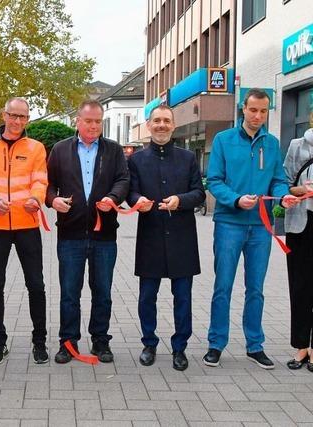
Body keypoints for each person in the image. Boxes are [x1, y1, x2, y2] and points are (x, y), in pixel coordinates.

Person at [204, 88, 299, 369]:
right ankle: (216, 343)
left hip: (260, 227)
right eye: (253, 110)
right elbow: (214, 180)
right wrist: (235, 200)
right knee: (223, 286)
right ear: (242, 108)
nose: (258, 116)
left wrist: (283, 196)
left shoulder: (271, 143)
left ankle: (255, 345)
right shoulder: (223, 140)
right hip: (229, 224)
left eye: (263, 111)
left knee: (255, 289)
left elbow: (278, 180)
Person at [46, 99, 129, 364]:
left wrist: (113, 197)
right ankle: (68, 342)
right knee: (70, 292)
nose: (93, 126)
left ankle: (100, 341)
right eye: (88, 121)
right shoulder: (60, 150)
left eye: (97, 121)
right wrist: (52, 200)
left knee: (102, 291)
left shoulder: (114, 150)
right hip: (70, 234)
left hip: (104, 235)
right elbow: (47, 185)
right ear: (77, 122)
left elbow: (123, 180)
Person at [0, 97, 49, 365]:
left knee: (36, 284)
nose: (17, 121)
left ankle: (40, 342)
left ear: (27, 120)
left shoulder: (36, 148)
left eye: (23, 117)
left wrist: (36, 199)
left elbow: (40, 181)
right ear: (4, 115)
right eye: (13, 116)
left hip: (27, 224)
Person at [127, 105, 205, 371]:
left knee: (182, 297)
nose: (161, 125)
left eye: (166, 121)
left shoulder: (187, 158)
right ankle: (149, 342)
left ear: (173, 125)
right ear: (149, 125)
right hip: (150, 235)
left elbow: (199, 193)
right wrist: (139, 202)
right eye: (157, 120)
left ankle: (179, 347)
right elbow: (130, 192)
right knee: (147, 296)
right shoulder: (136, 160)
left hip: (182, 238)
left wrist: (179, 201)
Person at [283, 127, 313, 370]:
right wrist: (300, 190)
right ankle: (301, 346)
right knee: (300, 286)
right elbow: (285, 182)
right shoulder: (297, 145)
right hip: (300, 224)